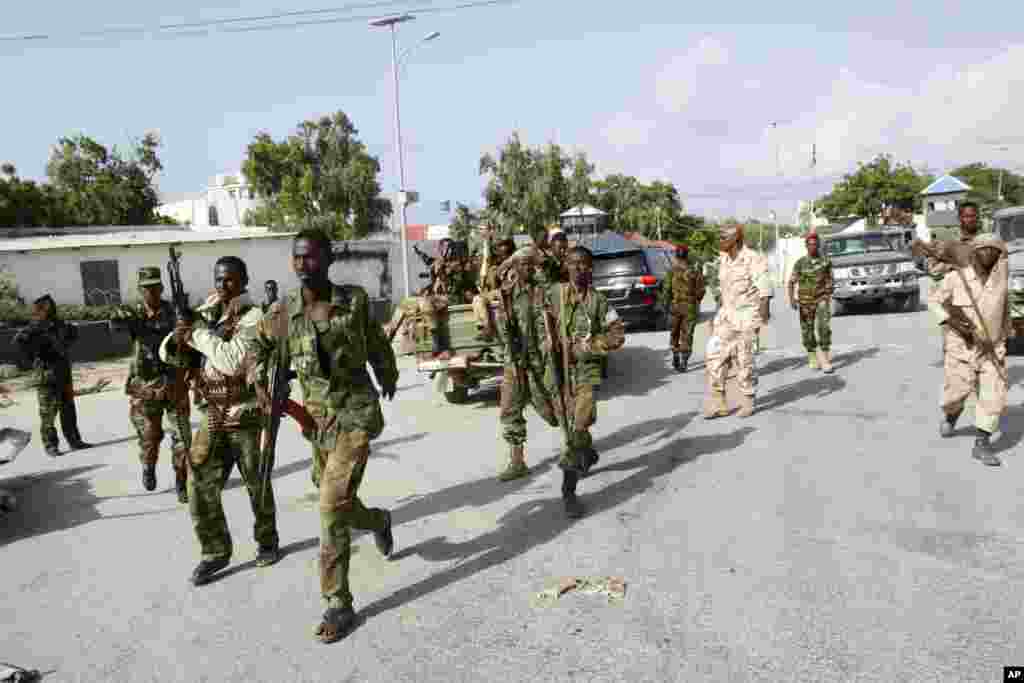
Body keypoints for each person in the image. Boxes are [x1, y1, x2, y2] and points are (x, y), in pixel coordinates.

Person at [251, 229, 399, 644]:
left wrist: (387, 371)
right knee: (339, 501)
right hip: (317, 423)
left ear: (328, 259)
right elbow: (255, 347)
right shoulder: (283, 312)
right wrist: (259, 382)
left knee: (331, 506)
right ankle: (378, 520)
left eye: (311, 257)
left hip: (354, 414)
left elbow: (374, 342)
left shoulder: (352, 301)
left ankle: (338, 602)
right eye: (297, 257)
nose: (302, 265)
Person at [160, 255, 281, 586]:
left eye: (229, 279)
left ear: (243, 281)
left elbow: (231, 361)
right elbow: (167, 353)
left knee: (256, 483)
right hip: (212, 411)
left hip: (246, 413)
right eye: (218, 279)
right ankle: (214, 552)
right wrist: (181, 327)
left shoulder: (255, 317)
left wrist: (197, 333)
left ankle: (267, 540)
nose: (222, 285)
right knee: (198, 482)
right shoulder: (210, 312)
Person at [544, 245, 625, 516]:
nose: (578, 268)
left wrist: (589, 347)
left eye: (583, 264)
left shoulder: (598, 302)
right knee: (564, 425)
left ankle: (568, 493)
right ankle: (587, 454)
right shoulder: (553, 294)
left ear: (591, 268)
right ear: (565, 265)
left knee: (575, 431)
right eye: (572, 263)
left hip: (586, 373)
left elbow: (617, 335)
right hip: (558, 373)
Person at [929, 233, 1011, 467]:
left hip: (992, 348)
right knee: (956, 392)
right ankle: (952, 414)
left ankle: (982, 443)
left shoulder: (1001, 282)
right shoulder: (957, 279)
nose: (988, 254)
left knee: (993, 395)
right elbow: (934, 301)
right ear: (974, 252)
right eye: (983, 249)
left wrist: (1005, 338)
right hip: (961, 347)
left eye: (994, 250)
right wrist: (951, 322)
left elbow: (1005, 312)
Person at [110, 267, 192, 500]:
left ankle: (181, 481)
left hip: (175, 384)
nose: (153, 292)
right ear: (140, 290)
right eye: (147, 288)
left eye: (156, 287)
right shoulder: (133, 313)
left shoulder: (174, 311)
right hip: (145, 386)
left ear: (162, 288)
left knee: (183, 438)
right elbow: (116, 324)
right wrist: (118, 316)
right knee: (150, 437)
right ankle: (148, 466)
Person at [703, 223, 773, 419]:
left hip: (747, 317)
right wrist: (717, 314)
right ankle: (720, 403)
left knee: (745, 361)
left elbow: (765, 291)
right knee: (715, 358)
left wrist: (761, 319)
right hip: (726, 316)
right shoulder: (724, 259)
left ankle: (748, 400)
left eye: (724, 237)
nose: (720, 240)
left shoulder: (752, 258)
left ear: (736, 238)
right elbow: (723, 291)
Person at [13, 294, 91, 457]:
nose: (51, 308)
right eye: (47, 307)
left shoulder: (59, 325)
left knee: (68, 409)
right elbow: (19, 342)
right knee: (48, 413)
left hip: (63, 373)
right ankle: (50, 445)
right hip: (46, 375)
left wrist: (65, 341)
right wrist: (34, 353)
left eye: (51, 306)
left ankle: (75, 441)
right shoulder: (34, 327)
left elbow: (72, 334)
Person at [787, 232, 835, 373]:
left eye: (815, 244)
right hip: (805, 302)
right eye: (810, 244)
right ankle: (812, 354)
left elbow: (831, 279)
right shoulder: (800, 263)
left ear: (819, 245)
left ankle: (825, 358)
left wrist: (827, 292)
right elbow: (791, 282)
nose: (813, 247)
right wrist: (791, 300)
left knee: (824, 327)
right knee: (807, 330)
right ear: (806, 246)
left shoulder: (826, 261)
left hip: (821, 299)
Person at [660, 244, 706, 372]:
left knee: (674, 332)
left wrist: (665, 305)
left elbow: (666, 291)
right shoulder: (694, 272)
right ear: (687, 256)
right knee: (687, 334)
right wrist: (695, 300)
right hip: (690, 307)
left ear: (676, 255)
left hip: (675, 307)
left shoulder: (671, 272)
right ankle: (684, 362)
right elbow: (701, 291)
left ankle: (675, 355)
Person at [473, 237, 516, 340]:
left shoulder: (515, 265)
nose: (502, 256)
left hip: (510, 297)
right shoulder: (496, 267)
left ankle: (489, 328)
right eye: (500, 253)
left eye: (505, 253)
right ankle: (486, 327)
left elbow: (511, 285)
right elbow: (491, 285)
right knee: (478, 299)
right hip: (500, 295)